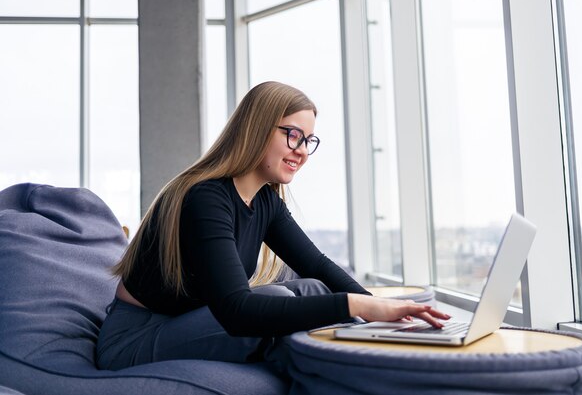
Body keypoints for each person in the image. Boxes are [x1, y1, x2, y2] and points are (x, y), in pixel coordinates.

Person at [96, 81, 450, 372]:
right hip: (135, 338)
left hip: (186, 323)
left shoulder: (265, 201)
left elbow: (317, 266)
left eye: (308, 141)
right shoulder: (205, 199)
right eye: (293, 135)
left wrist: (380, 315)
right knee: (279, 297)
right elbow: (237, 313)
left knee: (311, 287)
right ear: (258, 129)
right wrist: (356, 307)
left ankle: (388, 357)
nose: (302, 152)